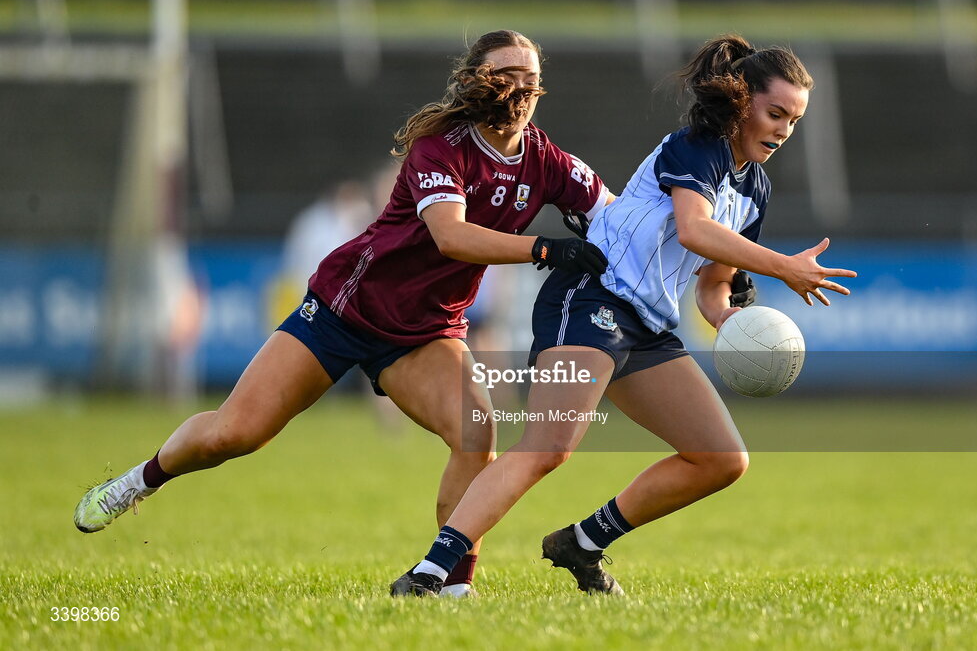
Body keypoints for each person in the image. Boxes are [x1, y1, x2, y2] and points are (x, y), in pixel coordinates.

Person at [74, 30, 614, 598]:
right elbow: (451, 236)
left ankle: (452, 586)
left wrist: (701, 246)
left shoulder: (550, 162)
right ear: (475, 80)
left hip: (424, 332)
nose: (520, 89)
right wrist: (546, 248)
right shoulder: (441, 146)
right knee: (236, 433)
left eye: (531, 78)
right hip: (344, 311)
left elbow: (618, 217)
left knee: (477, 432)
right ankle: (138, 481)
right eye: (506, 74)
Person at [390, 34, 857, 596]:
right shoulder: (699, 145)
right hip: (594, 294)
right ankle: (430, 573)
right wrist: (784, 266)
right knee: (548, 447)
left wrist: (732, 319)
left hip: (649, 323)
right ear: (741, 102)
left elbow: (712, 286)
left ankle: (582, 543)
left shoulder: (755, 188)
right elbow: (693, 228)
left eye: (794, 120)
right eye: (775, 113)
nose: (783, 129)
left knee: (722, 459)